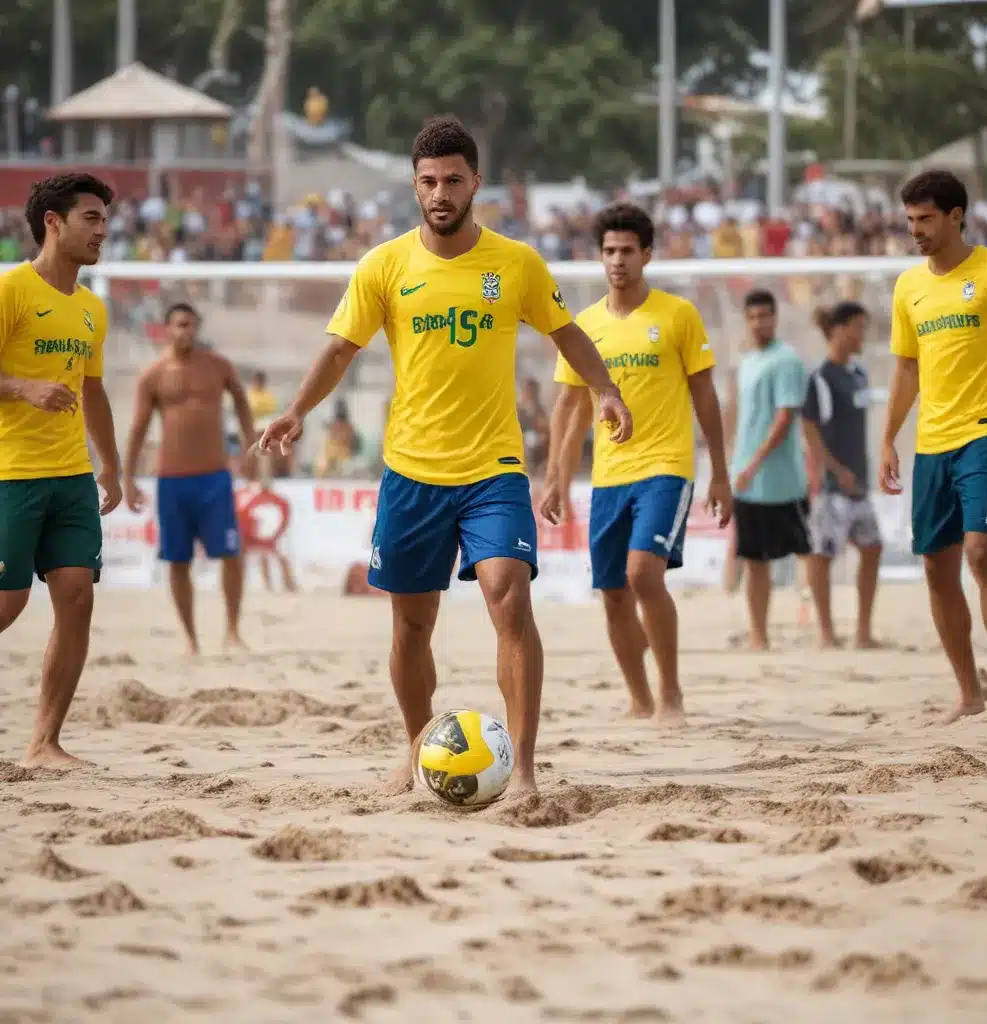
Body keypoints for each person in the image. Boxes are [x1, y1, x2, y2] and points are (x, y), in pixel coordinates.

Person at [259, 116, 631, 797]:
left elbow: (567, 332)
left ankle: (522, 766)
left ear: (475, 184)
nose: (440, 191)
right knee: (410, 624)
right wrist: (295, 411)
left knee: (508, 598)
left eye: (453, 180)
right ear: (414, 185)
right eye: (428, 181)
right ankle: (414, 743)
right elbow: (341, 348)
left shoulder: (515, 263)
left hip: (493, 469)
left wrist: (605, 389)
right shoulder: (385, 265)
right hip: (411, 472)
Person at [540, 203, 731, 720]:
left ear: (647, 254)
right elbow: (569, 408)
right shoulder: (584, 326)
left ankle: (670, 692)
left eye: (627, 250)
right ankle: (639, 697)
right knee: (613, 593)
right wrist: (555, 478)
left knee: (645, 573)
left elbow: (706, 398)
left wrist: (720, 471)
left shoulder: (678, 316)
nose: (617, 260)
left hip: (667, 466)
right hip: (608, 477)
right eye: (608, 251)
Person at [880, 169, 987, 723]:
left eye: (926, 218)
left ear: (956, 215)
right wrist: (888, 438)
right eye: (910, 220)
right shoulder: (908, 287)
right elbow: (905, 369)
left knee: (981, 551)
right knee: (936, 568)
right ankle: (969, 695)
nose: (916, 230)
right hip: (931, 443)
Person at [0, 173, 122, 767]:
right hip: (10, 474)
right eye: (91, 218)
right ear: (53, 222)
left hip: (72, 476)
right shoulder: (11, 291)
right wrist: (22, 386)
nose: (103, 230)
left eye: (104, 220)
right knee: (7, 604)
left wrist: (113, 467)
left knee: (76, 599)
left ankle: (44, 743)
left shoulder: (93, 309)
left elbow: (93, 393)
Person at [122, 303, 256, 655]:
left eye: (193, 325)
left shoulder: (217, 366)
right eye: (181, 325)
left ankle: (232, 631)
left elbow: (242, 403)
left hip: (214, 477)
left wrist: (250, 447)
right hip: (171, 479)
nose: (187, 331)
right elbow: (137, 429)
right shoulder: (152, 375)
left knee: (231, 553)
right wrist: (127, 477)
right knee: (178, 560)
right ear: (166, 328)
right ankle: (191, 639)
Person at [728, 289, 811, 650]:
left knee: (807, 552)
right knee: (754, 559)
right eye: (753, 316)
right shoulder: (747, 361)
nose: (759, 322)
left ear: (775, 318)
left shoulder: (786, 360)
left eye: (765, 315)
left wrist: (755, 461)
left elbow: (784, 417)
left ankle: (818, 627)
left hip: (782, 480)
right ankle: (759, 636)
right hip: (748, 480)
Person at [802, 301, 883, 649]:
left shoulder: (859, 374)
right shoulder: (821, 378)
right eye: (858, 327)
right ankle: (825, 631)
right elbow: (809, 427)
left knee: (873, 548)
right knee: (822, 555)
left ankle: (863, 632)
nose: (863, 334)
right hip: (834, 487)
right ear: (839, 329)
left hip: (860, 483)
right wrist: (834, 469)